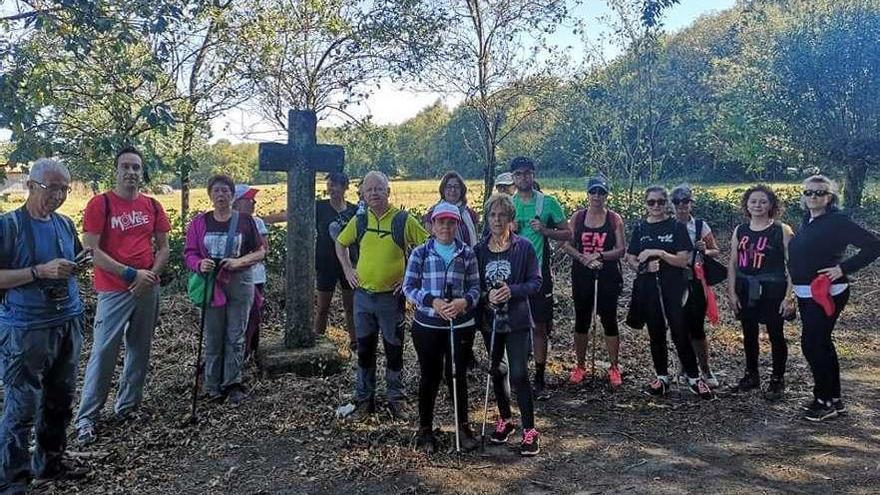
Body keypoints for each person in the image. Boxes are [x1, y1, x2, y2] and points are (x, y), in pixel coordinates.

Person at [0, 159, 88, 491]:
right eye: (52, 188)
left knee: (60, 400)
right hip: (24, 330)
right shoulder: (9, 227)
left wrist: (78, 265)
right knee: (21, 408)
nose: (60, 195)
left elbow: (71, 264)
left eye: (65, 188)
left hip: (66, 323)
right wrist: (40, 271)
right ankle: (12, 482)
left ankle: (51, 463)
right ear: (31, 185)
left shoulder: (65, 224)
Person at [74, 147, 171, 446]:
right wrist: (131, 274)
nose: (131, 172)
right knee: (103, 353)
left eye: (136, 168)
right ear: (116, 171)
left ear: (142, 173)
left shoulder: (152, 206)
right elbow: (91, 251)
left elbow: (164, 248)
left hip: (147, 287)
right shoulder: (100, 204)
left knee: (139, 350)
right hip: (114, 290)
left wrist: (149, 276)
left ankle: (127, 407)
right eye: (125, 167)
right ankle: (87, 418)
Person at [335, 171, 429, 421]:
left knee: (393, 349)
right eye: (369, 190)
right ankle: (365, 400)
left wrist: (411, 277)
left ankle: (395, 399)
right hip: (363, 297)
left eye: (379, 189)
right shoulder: (360, 220)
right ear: (363, 195)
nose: (374, 193)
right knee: (365, 350)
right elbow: (340, 243)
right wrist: (347, 270)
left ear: (388, 192)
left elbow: (427, 246)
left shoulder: (402, 220)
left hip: (391, 299)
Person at [788, 175, 880, 421]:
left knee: (813, 343)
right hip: (806, 293)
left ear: (830, 197)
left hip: (827, 292)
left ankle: (824, 400)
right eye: (809, 192)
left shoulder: (838, 221)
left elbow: (874, 245)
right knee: (820, 343)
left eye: (819, 193)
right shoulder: (807, 220)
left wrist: (843, 268)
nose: (813, 197)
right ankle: (833, 398)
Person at [403, 203, 481, 453]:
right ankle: (425, 429)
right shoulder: (420, 253)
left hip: (461, 325)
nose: (445, 227)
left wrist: (464, 302)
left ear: (457, 225)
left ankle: (463, 427)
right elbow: (409, 287)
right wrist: (432, 302)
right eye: (440, 222)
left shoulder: (467, 253)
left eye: (450, 222)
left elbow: (476, 288)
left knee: (456, 375)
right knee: (430, 376)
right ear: (432, 225)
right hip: (427, 324)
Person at [184, 175, 266, 404]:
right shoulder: (200, 223)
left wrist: (239, 262)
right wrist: (199, 264)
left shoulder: (245, 221)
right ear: (210, 195)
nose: (221, 195)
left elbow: (260, 251)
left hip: (240, 281)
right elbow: (189, 253)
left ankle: (232, 382)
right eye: (217, 191)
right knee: (213, 334)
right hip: (212, 283)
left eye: (226, 191)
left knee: (236, 333)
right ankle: (212, 384)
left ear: (233, 195)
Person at [625, 186, 712, 398]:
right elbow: (631, 258)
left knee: (681, 331)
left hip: (674, 287)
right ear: (645, 204)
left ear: (667, 204)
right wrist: (643, 267)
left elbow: (683, 260)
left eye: (661, 202)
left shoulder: (676, 227)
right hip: (649, 287)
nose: (656, 206)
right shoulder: (640, 227)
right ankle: (662, 376)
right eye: (651, 202)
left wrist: (660, 254)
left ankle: (693, 377)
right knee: (655, 332)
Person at [476, 193, 543, 456]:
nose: (497, 219)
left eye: (502, 215)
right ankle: (505, 418)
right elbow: (473, 286)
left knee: (518, 373)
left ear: (510, 219)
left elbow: (535, 282)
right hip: (489, 321)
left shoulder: (523, 247)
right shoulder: (479, 250)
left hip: (517, 320)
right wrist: (486, 295)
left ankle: (530, 430)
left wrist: (511, 291)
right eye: (492, 214)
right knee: (496, 369)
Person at [509, 156, 570, 400]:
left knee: (540, 327)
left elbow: (569, 233)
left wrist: (545, 230)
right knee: (515, 327)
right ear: (512, 178)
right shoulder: (508, 203)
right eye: (518, 174)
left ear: (533, 174)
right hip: (513, 274)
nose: (523, 178)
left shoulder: (548, 203)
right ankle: (518, 374)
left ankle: (540, 377)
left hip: (540, 274)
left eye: (527, 173)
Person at [726, 185, 795, 400]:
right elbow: (733, 263)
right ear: (746, 204)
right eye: (753, 201)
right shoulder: (740, 230)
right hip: (746, 288)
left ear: (771, 205)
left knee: (776, 333)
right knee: (749, 333)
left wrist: (789, 296)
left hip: (773, 289)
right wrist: (731, 292)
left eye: (763, 201)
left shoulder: (781, 230)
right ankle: (751, 375)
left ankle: (777, 379)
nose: (758, 205)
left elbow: (792, 264)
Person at [561, 177, 626, 387]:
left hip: (607, 275)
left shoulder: (614, 219)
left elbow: (620, 249)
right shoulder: (578, 218)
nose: (597, 196)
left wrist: (599, 256)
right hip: (582, 274)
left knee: (609, 319)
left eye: (601, 192)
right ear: (587, 194)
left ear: (606, 195)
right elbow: (567, 245)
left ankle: (614, 367)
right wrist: (583, 258)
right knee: (582, 319)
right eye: (593, 192)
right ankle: (580, 366)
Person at [671, 185, 720, 388]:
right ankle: (683, 368)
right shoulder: (667, 225)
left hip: (695, 281)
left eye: (685, 201)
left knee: (697, 328)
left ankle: (706, 369)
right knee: (678, 328)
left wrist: (705, 251)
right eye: (677, 202)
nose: (681, 206)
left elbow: (715, 250)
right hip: (673, 281)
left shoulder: (700, 226)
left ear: (691, 203)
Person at [315, 172, 358, 349]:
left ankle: (355, 342)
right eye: (329, 185)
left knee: (351, 307)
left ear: (345, 187)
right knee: (322, 307)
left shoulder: (354, 211)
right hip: (326, 264)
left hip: (348, 265)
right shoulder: (319, 207)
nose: (331, 188)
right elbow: (292, 214)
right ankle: (317, 341)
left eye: (335, 185)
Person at [232, 184, 269, 362]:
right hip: (233, 278)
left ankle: (250, 350)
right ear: (237, 202)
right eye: (249, 199)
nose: (253, 202)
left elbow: (264, 249)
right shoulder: (227, 221)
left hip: (256, 277)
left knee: (254, 313)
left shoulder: (258, 222)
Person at [423, 171, 480, 247]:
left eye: (456, 187)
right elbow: (429, 240)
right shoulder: (433, 214)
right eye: (449, 187)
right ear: (443, 189)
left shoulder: (470, 214)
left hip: (469, 256)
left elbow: (476, 239)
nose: (453, 190)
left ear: (461, 190)